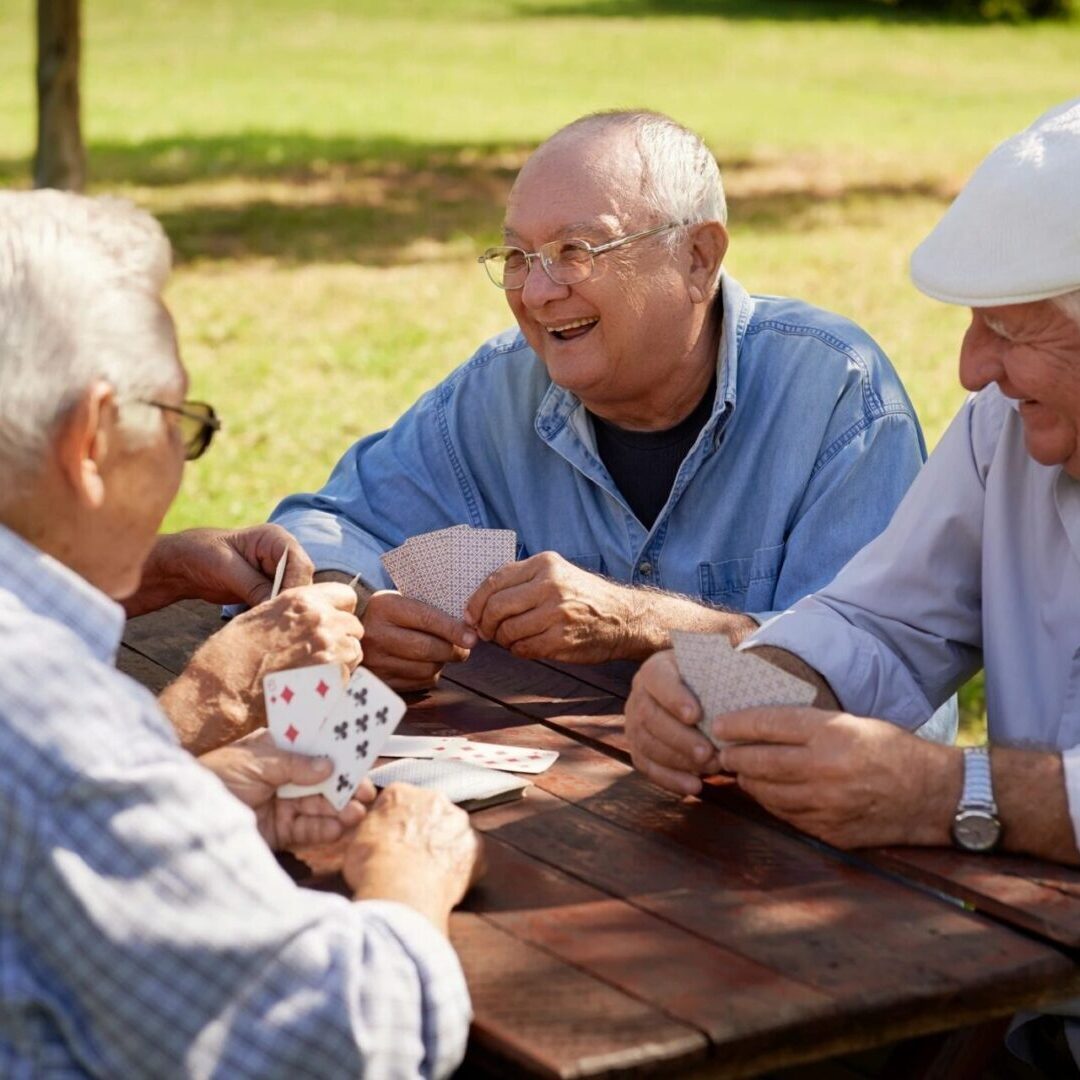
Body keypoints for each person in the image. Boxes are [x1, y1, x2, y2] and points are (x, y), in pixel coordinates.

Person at [622, 97, 1080, 1075]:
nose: (970, 369)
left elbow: (943, 788)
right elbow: (888, 614)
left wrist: (954, 794)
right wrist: (750, 679)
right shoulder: (1008, 430)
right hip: (1029, 994)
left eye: (1007, 328)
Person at [0, 189, 481, 1078]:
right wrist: (409, 871)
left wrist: (196, 793)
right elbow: (342, 1038)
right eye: (183, 426)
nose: (183, 467)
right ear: (92, 440)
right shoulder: (54, 722)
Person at [268, 109, 932, 697]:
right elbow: (321, 527)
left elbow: (872, 682)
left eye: (575, 251)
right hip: (556, 819)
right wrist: (357, 607)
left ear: (698, 258)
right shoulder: (500, 391)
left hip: (769, 824)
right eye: (518, 256)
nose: (534, 293)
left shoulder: (837, 398)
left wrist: (641, 623)